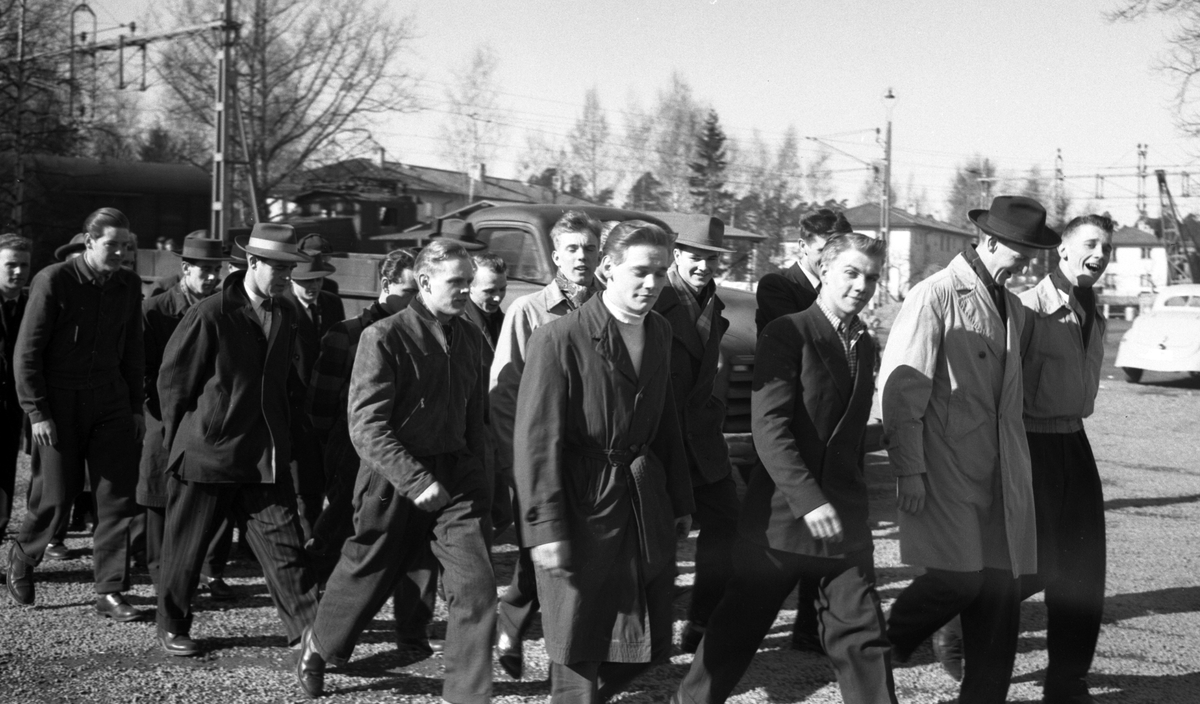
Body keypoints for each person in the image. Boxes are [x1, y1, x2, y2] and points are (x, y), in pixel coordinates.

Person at [673, 233, 896, 704]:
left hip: (844, 521)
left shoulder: (865, 343)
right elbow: (769, 428)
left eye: (871, 277)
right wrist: (809, 500)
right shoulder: (788, 332)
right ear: (825, 271)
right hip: (782, 520)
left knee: (863, 638)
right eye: (851, 273)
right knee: (736, 631)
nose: (861, 286)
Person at [296, 240, 496, 703]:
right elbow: (366, 425)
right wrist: (415, 480)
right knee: (367, 571)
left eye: (469, 281)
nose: (466, 290)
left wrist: (484, 481)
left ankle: (466, 695)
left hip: (456, 477)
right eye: (456, 281)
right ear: (424, 282)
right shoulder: (383, 337)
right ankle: (319, 646)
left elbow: (475, 418)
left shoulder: (470, 338)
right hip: (393, 479)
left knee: (477, 585)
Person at [880, 195, 1058, 704]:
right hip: (947, 468)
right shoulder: (934, 295)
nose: (1030, 260)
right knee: (957, 581)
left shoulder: (1013, 306)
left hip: (1002, 472)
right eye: (1022, 249)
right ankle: (875, 646)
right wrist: (908, 469)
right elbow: (900, 390)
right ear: (991, 240)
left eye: (1034, 250)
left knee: (1001, 594)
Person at [513, 220, 693, 703]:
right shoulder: (558, 339)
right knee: (578, 641)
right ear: (608, 269)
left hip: (642, 500)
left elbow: (666, 422)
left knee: (649, 637)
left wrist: (679, 500)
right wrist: (545, 529)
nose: (651, 284)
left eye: (661, 273)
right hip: (582, 503)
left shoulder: (659, 330)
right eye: (640, 271)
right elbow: (536, 444)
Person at [154, 223, 318, 657]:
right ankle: (172, 624)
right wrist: (185, 442)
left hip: (262, 457)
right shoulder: (211, 313)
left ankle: (310, 636)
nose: (285, 276)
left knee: (286, 548)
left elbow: (286, 383)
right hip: (208, 455)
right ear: (252, 261)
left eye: (290, 268)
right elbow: (173, 384)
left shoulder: (286, 314)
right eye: (277, 267)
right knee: (186, 550)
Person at [7, 208, 146, 622]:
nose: (119, 253)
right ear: (88, 242)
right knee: (55, 495)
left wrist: (134, 407)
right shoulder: (54, 280)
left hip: (110, 401)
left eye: (125, 246)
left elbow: (133, 349)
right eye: (111, 245)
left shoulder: (128, 284)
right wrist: (37, 412)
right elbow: (27, 353)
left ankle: (110, 590)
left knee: (117, 498)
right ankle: (23, 554)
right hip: (59, 403)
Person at [304, 249, 440, 656]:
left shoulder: (428, 334)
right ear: (385, 286)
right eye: (408, 291)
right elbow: (320, 405)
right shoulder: (346, 335)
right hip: (354, 453)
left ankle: (412, 631)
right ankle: (315, 616)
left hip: (410, 457)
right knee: (348, 535)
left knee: (418, 544)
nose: (415, 300)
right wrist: (331, 458)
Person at [489, 209, 602, 679]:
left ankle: (563, 650)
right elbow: (503, 393)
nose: (581, 257)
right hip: (540, 457)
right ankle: (516, 624)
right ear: (555, 256)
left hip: (594, 460)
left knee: (574, 554)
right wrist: (517, 464)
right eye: (571, 249)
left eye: (589, 248)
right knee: (543, 548)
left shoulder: (609, 308)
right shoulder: (529, 311)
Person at [1015, 214, 1112, 703]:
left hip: (1074, 441)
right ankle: (955, 617)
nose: (1100, 254)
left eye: (1107, 248)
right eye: (1090, 244)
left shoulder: (1095, 311)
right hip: (1030, 443)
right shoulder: (1027, 309)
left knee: (1083, 570)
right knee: (1028, 565)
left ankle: (1067, 681)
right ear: (1063, 250)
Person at [751, 207, 852, 652]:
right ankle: (731, 628)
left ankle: (811, 627)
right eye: (823, 249)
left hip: (830, 426)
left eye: (839, 250)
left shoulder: (844, 289)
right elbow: (808, 334)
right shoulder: (778, 286)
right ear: (802, 247)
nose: (831, 258)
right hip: (790, 421)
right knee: (782, 531)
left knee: (829, 526)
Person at [651, 217, 740, 654]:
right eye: (695, 257)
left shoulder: (714, 306)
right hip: (659, 441)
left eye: (711, 259)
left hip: (702, 442)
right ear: (676, 254)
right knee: (659, 544)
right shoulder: (655, 298)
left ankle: (702, 623)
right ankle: (647, 638)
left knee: (727, 527)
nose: (703, 266)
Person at [138, 233, 235, 598]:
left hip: (209, 415)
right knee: (159, 490)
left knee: (213, 490)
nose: (211, 277)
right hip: (163, 412)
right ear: (185, 269)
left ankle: (210, 570)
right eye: (203, 270)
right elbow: (142, 368)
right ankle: (160, 573)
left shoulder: (225, 309)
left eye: (216, 270)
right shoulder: (156, 310)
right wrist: (163, 404)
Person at [288, 255, 345, 539]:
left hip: (326, 404)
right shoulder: (281, 305)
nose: (313, 286)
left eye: (318, 280)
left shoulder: (331, 303)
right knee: (303, 487)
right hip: (294, 409)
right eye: (306, 281)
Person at [464, 252, 508, 533]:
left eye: (502, 289)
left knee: (500, 507)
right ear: (469, 286)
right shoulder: (459, 321)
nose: (497, 297)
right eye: (489, 291)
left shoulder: (504, 320)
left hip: (496, 422)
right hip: (471, 426)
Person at [0, 235, 30, 564]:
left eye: (24, 265)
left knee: (5, 481)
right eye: (11, 264)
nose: (19, 271)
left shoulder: (31, 304)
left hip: (12, 409)